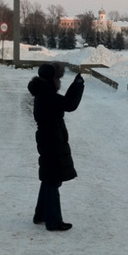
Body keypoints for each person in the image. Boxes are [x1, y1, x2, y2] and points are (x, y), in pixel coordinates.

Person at [27, 63, 85, 232]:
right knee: (52, 180)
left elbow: (65, 104)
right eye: (57, 78)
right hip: (51, 139)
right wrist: (78, 85)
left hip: (49, 138)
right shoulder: (46, 95)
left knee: (49, 178)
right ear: (52, 79)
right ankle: (53, 221)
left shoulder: (43, 93)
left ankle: (41, 215)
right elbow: (69, 104)